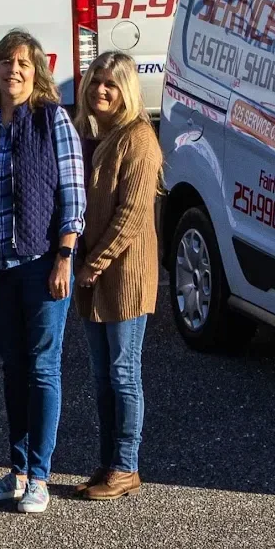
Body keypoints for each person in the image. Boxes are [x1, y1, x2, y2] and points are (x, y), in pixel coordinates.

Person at [0, 30, 84, 516]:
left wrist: (64, 255)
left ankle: (39, 476)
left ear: (36, 73)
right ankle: (15, 471)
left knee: (43, 367)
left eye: (22, 64)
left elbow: (73, 193)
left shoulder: (52, 119)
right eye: (5, 62)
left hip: (42, 264)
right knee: (13, 367)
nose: (12, 70)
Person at [69, 51, 161, 501]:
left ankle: (126, 466)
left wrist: (93, 263)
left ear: (127, 91)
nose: (100, 90)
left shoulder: (138, 138)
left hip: (123, 274)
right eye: (95, 81)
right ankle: (108, 464)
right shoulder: (92, 134)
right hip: (93, 273)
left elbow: (132, 215)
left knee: (124, 373)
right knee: (102, 375)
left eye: (110, 84)